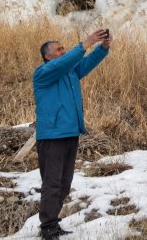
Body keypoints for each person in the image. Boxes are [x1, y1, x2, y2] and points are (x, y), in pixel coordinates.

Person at [33, 28, 112, 239]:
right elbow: (64, 62)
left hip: (70, 134)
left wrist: (103, 47)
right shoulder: (43, 73)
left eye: (63, 49)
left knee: (64, 184)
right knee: (52, 183)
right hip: (52, 137)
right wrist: (85, 44)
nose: (62, 51)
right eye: (59, 50)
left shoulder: (69, 72)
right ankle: (47, 227)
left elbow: (85, 64)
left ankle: (53, 222)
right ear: (48, 56)